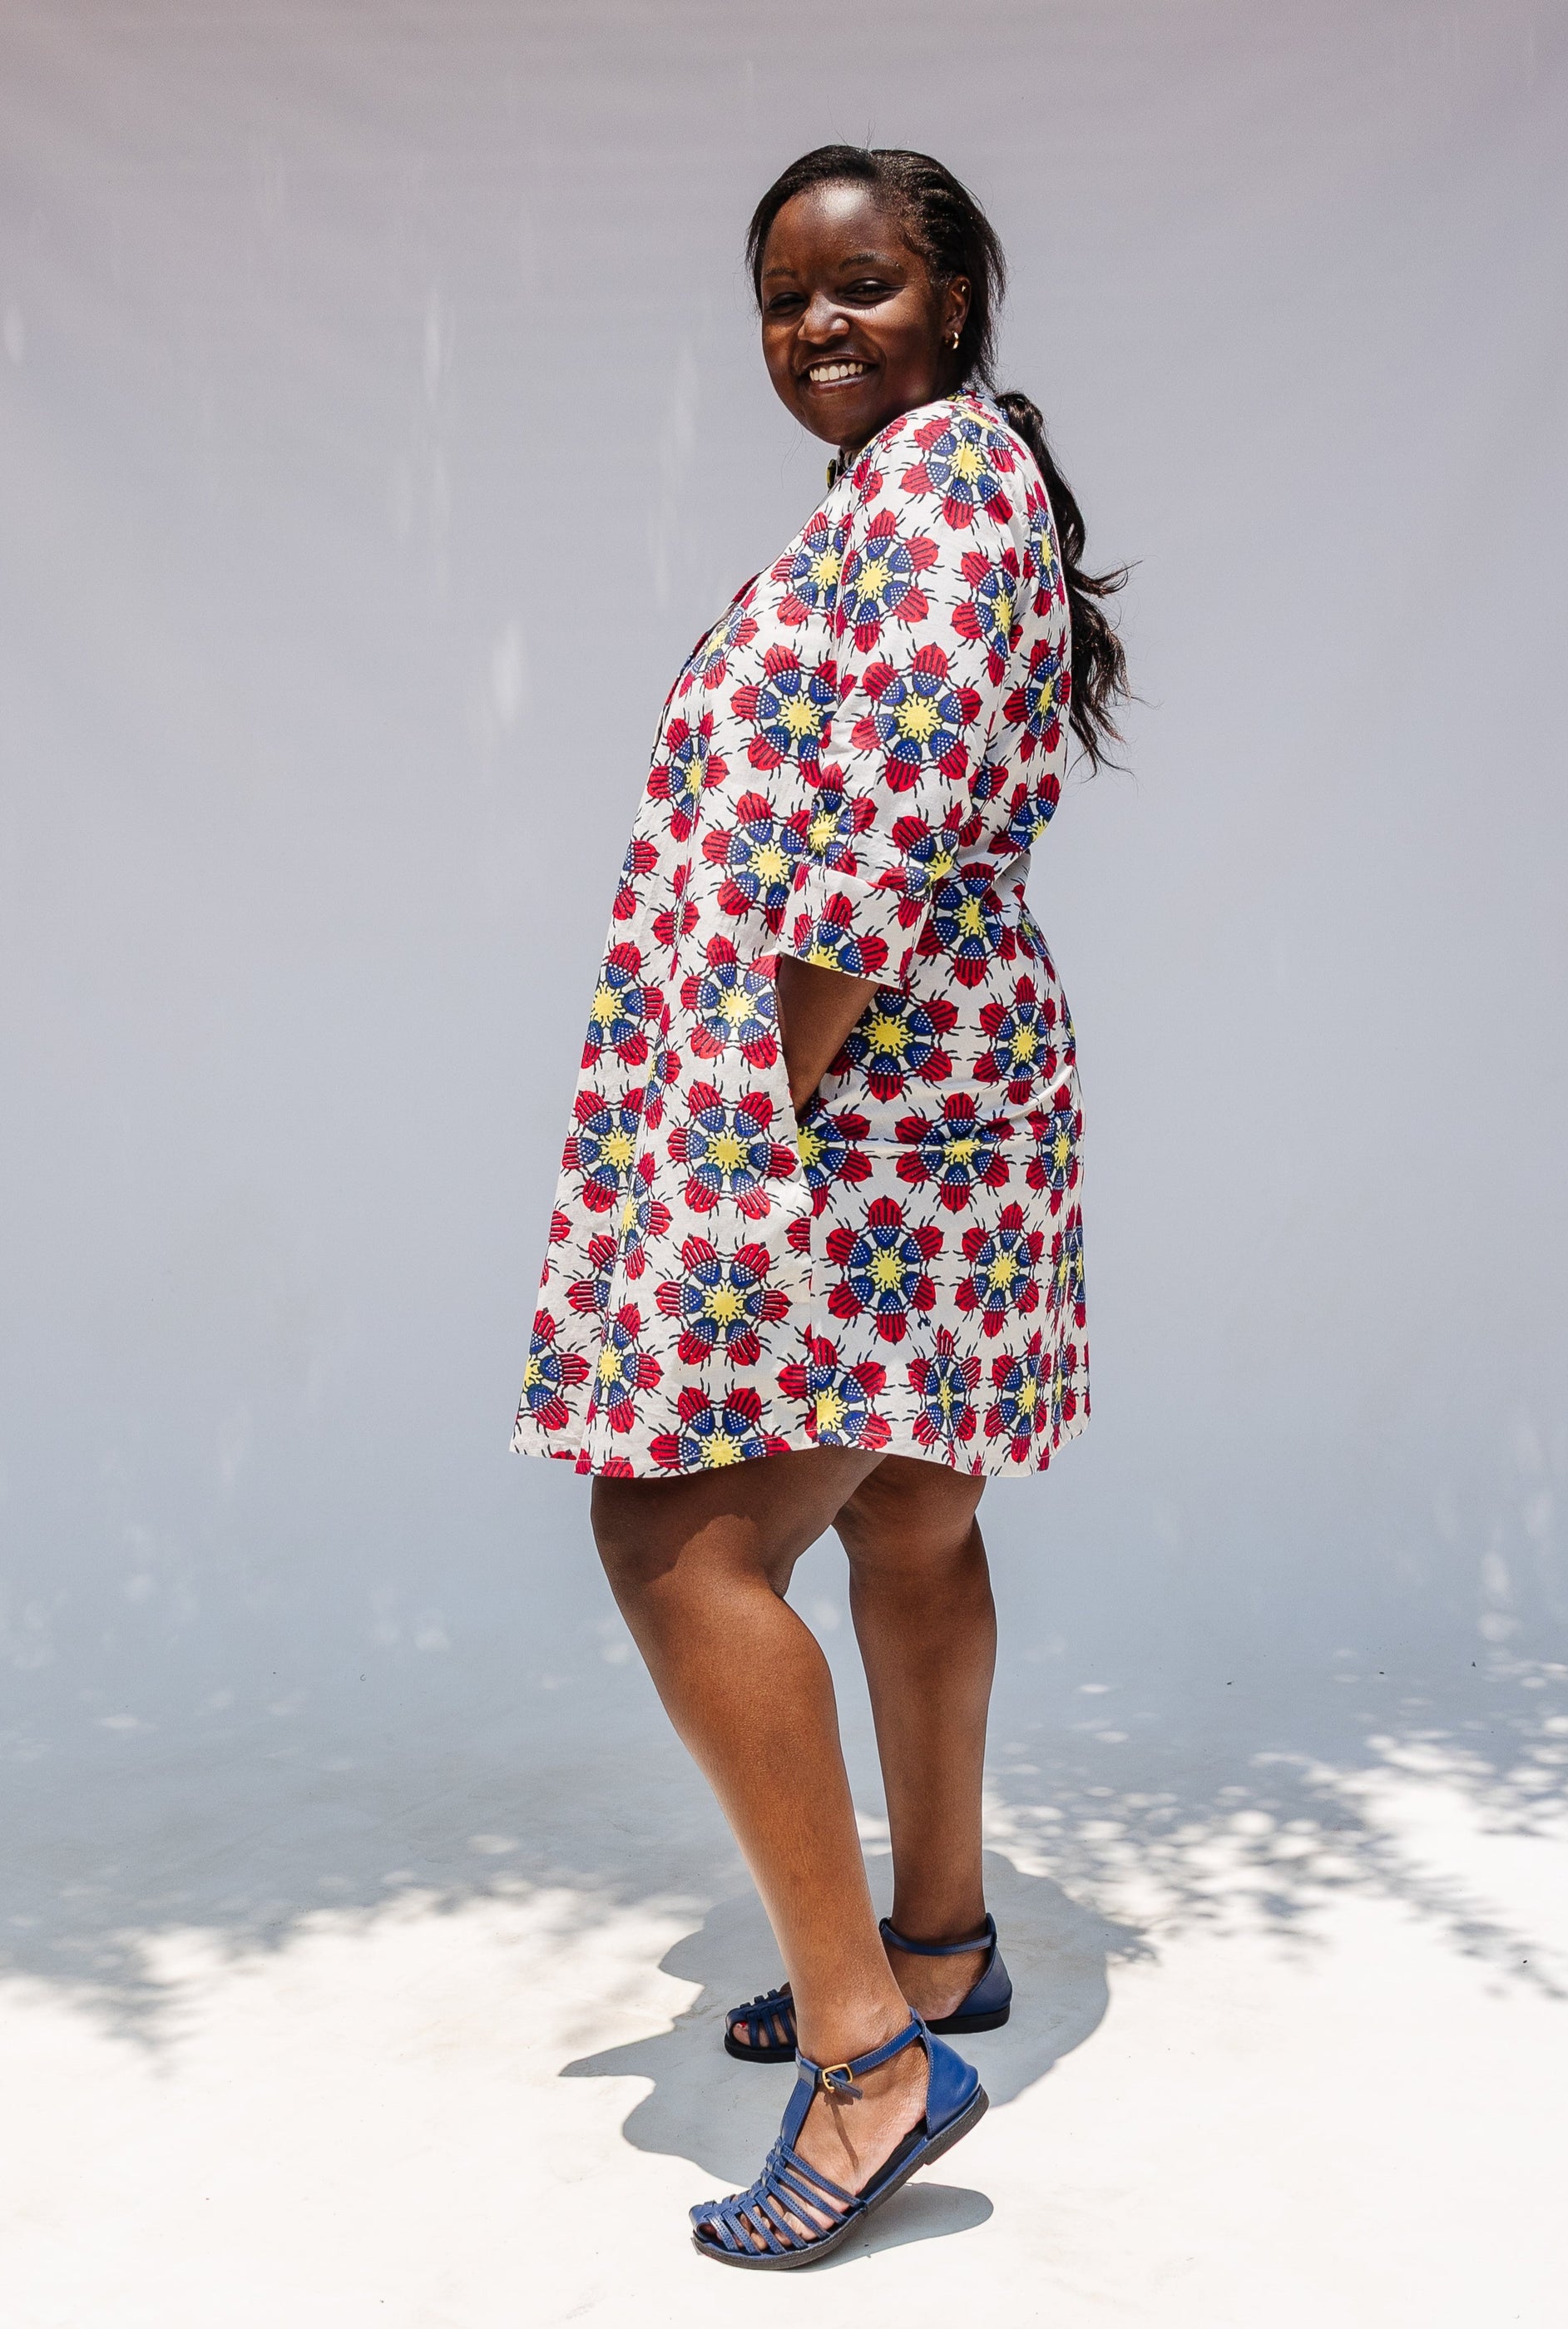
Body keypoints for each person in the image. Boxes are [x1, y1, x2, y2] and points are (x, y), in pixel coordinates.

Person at [513, 143, 1128, 2267]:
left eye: (861, 283)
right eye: (783, 296)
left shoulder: (945, 488)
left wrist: (739, 1117)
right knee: (909, 1515)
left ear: (956, 296)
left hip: (864, 1107)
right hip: (941, 1097)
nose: (817, 324)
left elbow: (871, 829)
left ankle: (871, 2060)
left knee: (671, 1531)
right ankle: (937, 1939)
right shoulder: (924, 489)